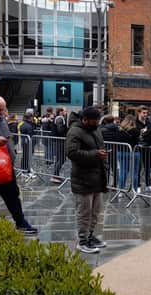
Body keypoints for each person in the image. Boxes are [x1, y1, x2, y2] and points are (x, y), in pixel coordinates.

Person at [0, 96, 38, 235]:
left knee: (12, 196)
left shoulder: (1, 119)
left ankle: (20, 223)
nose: (1, 112)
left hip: (5, 166)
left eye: (2, 109)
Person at [66, 107, 109, 253]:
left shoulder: (95, 129)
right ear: (85, 120)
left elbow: (99, 146)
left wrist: (101, 154)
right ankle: (82, 241)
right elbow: (71, 153)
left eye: (98, 121)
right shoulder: (75, 131)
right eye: (94, 121)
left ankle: (90, 236)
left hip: (97, 176)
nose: (97, 123)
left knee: (96, 211)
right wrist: (95, 154)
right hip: (83, 178)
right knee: (84, 212)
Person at [117, 115, 141, 190]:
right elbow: (138, 141)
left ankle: (121, 189)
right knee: (135, 172)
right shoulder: (135, 130)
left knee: (123, 171)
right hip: (134, 152)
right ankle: (135, 190)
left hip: (121, 152)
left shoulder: (119, 130)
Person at [100, 115, 122, 188]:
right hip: (115, 149)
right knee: (114, 167)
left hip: (105, 149)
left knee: (106, 167)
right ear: (113, 120)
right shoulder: (118, 129)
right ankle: (115, 184)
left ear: (105, 121)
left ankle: (105, 183)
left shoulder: (102, 129)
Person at [136, 106, 151, 192]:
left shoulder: (149, 122)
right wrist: (140, 132)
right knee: (138, 167)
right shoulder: (135, 122)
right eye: (143, 113)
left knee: (148, 167)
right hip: (138, 147)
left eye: (146, 113)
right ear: (138, 113)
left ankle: (148, 185)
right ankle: (137, 185)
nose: (145, 115)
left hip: (147, 147)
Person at [51, 107, 68, 183]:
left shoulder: (60, 118)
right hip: (60, 141)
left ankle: (56, 175)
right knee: (61, 158)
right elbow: (60, 130)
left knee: (59, 159)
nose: (66, 112)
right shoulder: (60, 119)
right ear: (61, 111)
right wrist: (66, 133)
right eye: (65, 111)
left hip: (58, 141)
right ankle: (55, 175)